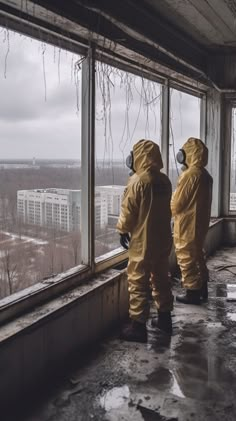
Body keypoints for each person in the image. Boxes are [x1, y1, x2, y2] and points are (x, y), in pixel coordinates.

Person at [116, 139, 173, 343]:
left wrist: (122, 229)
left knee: (138, 281)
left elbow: (128, 210)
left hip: (143, 241)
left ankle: (138, 326)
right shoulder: (165, 181)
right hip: (163, 239)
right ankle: (165, 319)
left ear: (137, 157)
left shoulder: (138, 181)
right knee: (161, 278)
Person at [171, 137, 213, 305]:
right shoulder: (205, 175)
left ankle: (192, 292)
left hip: (187, 224)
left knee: (186, 256)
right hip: (200, 223)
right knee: (197, 255)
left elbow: (177, 204)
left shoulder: (189, 175)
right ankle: (202, 287)